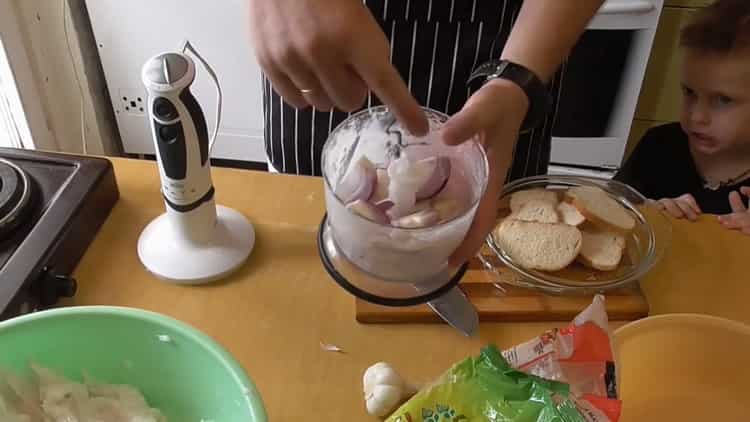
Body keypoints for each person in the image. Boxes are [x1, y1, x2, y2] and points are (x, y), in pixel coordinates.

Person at [248, 0, 605, 264]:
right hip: (317, 41)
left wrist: (518, 79)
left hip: (514, 46)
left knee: (491, 238)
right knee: (302, 263)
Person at [615, 0, 750, 235]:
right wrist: (644, 213)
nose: (696, 116)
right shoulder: (659, 145)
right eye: (689, 92)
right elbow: (612, 207)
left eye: (723, 100)